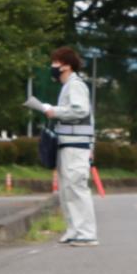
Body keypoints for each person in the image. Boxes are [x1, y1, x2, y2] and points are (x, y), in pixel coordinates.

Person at [31, 46, 97, 246]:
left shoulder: (75, 85)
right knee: (67, 188)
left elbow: (80, 111)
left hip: (76, 146)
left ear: (67, 65)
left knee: (76, 187)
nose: (53, 66)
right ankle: (74, 230)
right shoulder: (68, 86)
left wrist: (54, 111)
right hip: (67, 144)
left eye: (56, 62)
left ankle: (86, 233)